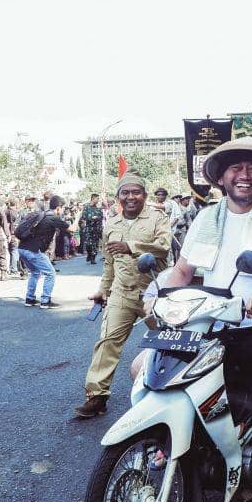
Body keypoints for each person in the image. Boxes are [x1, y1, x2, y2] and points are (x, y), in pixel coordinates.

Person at [138, 137, 252, 490]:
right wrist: (160, 299)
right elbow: (182, 272)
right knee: (141, 367)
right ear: (221, 177)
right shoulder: (207, 218)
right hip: (208, 323)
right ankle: (169, 436)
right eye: (236, 167)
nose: (244, 175)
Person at [74, 173, 172, 418]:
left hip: (154, 294)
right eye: (125, 193)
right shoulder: (111, 224)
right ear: (118, 197)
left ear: (144, 195)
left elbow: (163, 248)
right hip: (122, 292)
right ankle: (96, 396)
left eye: (136, 192)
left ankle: (173, 391)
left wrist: (131, 247)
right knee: (107, 341)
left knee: (169, 343)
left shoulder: (157, 218)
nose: (130, 197)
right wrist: (103, 290)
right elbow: (109, 263)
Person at [19, 195, 69, 309]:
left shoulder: (42, 214)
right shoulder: (54, 218)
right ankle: (45, 301)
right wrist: (78, 216)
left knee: (35, 272)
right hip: (33, 250)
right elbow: (72, 229)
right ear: (58, 208)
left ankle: (29, 299)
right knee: (50, 273)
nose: (63, 210)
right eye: (63, 208)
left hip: (22, 248)